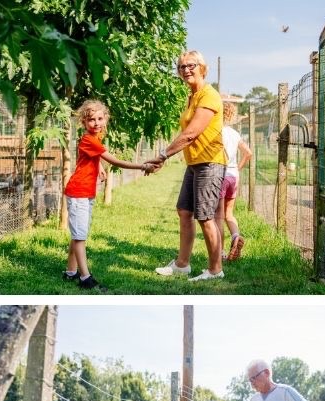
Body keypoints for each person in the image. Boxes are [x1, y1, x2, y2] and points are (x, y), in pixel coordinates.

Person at [149, 50, 227, 282]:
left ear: (202, 67)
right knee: (185, 211)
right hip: (194, 162)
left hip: (210, 162)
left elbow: (191, 133)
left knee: (205, 217)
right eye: (181, 67)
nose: (186, 70)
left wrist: (163, 155)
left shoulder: (209, 96)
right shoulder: (193, 96)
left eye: (190, 65)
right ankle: (182, 264)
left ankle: (215, 269)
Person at [63, 99, 152, 290]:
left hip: (86, 192)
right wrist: (142, 166)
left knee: (78, 232)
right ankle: (85, 277)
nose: (96, 123)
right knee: (80, 236)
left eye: (99, 118)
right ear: (84, 123)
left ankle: (70, 271)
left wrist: (99, 167)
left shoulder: (95, 139)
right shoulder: (88, 139)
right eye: (91, 120)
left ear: (105, 119)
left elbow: (92, 158)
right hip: (78, 191)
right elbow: (116, 161)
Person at [217, 101, 252, 261]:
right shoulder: (234, 133)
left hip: (220, 174)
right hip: (233, 176)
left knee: (218, 216)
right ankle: (236, 236)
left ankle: (221, 252)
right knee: (229, 214)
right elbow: (248, 153)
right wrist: (238, 168)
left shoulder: (216, 132)